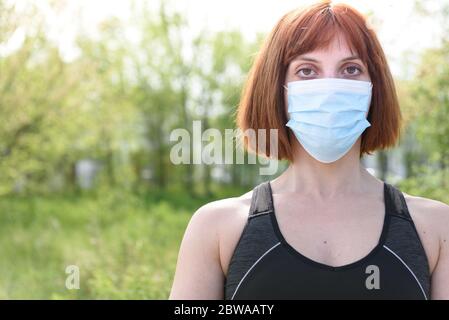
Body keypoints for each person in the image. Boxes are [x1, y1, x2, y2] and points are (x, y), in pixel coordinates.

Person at [169, 1, 449, 300]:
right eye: (306, 70)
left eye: (351, 69)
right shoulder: (217, 228)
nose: (329, 87)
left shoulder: (436, 228)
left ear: (374, 89)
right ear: (277, 88)